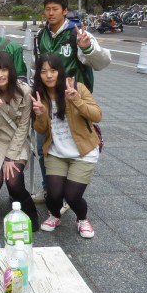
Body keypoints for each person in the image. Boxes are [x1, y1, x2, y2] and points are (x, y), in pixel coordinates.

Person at [30, 0, 111, 204]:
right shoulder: (40, 36)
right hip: (47, 100)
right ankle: (50, 189)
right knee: (44, 147)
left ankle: (68, 193)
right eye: (47, 9)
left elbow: (102, 63)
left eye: (55, 9)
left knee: (74, 144)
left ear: (65, 11)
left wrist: (87, 47)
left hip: (73, 100)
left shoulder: (77, 34)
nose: (50, 13)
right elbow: (35, 67)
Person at [31, 53, 102, 238]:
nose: (48, 75)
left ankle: (82, 218)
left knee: (71, 196)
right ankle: (55, 215)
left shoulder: (77, 88)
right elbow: (40, 129)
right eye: (43, 71)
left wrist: (76, 100)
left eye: (53, 70)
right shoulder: (39, 95)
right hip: (56, 152)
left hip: (83, 152)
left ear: (60, 71)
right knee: (53, 194)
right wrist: (40, 115)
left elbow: (97, 115)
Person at [0, 52, 38, 226]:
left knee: (13, 182)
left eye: (4, 70)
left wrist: (10, 157)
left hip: (16, 141)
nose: (0, 75)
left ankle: (32, 217)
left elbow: (23, 127)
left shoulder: (24, 91)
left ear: (11, 71)